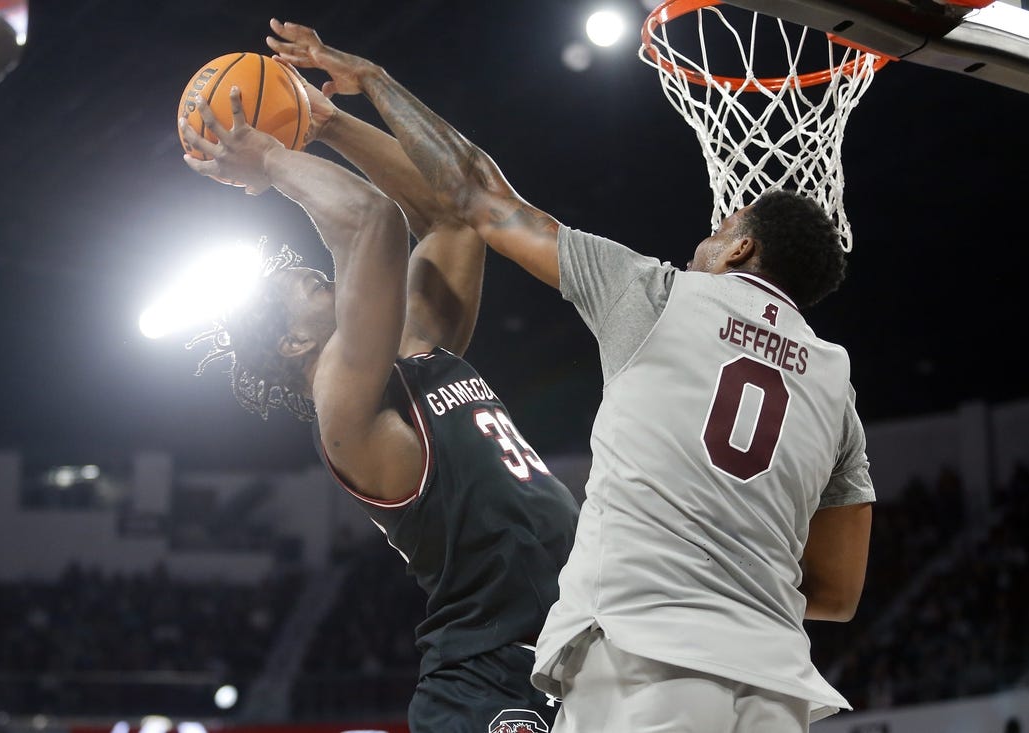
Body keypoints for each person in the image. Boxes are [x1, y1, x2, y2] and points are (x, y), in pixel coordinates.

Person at [266, 18, 876, 733]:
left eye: (717, 231)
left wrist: (371, 82)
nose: (698, 243)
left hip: (647, 661)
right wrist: (737, 574)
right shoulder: (836, 386)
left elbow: (472, 199)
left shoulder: (656, 295)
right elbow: (835, 590)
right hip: (774, 686)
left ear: (740, 246)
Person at [180, 78, 579, 732]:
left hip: (575, 644)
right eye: (312, 284)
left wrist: (330, 121)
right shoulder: (342, 407)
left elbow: (452, 215)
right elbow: (370, 218)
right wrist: (271, 160)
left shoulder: (415, 345)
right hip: (488, 674)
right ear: (294, 339)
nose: (331, 276)